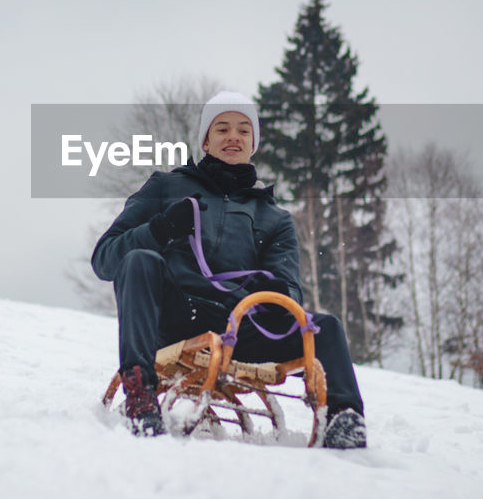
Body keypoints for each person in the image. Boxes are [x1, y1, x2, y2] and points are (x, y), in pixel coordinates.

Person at [91, 90, 367, 448]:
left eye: (243, 130)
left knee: (325, 326)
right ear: (206, 140)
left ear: (254, 143)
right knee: (140, 259)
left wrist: (269, 294)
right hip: (176, 318)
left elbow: (289, 290)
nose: (233, 137)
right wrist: (161, 229)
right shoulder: (165, 187)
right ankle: (141, 397)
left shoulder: (275, 218)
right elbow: (105, 259)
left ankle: (344, 421)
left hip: (239, 328)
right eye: (222, 129)